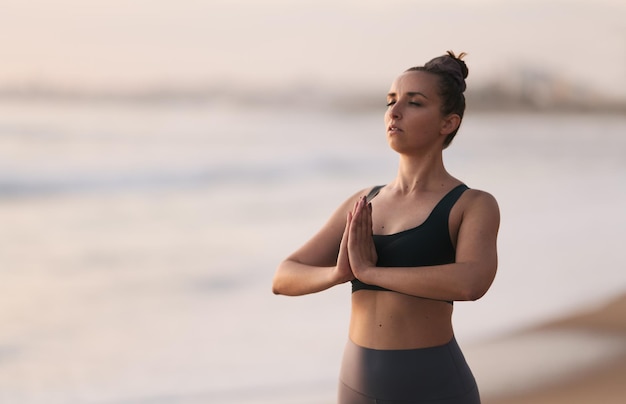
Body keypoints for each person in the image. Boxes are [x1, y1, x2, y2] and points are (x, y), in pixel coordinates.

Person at [272, 51, 500, 404]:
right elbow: (284, 277)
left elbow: (472, 282)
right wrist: (339, 273)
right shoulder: (363, 202)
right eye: (391, 101)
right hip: (356, 386)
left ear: (448, 123)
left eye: (415, 103)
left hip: (434, 387)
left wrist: (370, 273)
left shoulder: (472, 205)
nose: (394, 112)